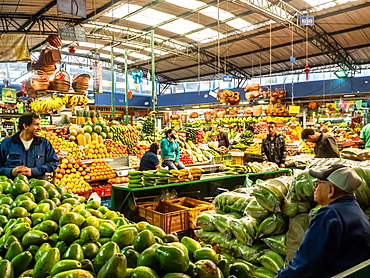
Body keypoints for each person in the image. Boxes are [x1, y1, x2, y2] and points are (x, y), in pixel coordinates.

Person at [276, 164, 370, 278]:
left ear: (330, 190)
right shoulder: (354, 210)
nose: (314, 188)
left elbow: (304, 265)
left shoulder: (329, 215)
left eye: (318, 183)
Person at [0, 112, 59, 180]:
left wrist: (33, 171)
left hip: (38, 187)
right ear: (25, 126)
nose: (39, 128)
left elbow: (54, 163)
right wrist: (11, 172)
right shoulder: (6, 143)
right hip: (13, 187)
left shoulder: (44, 143)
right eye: (36, 125)